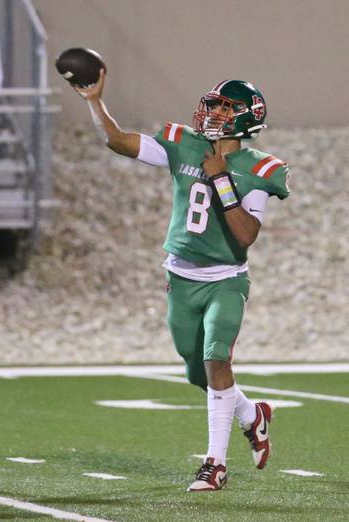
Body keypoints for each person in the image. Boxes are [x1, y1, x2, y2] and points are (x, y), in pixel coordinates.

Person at [76, 74, 289, 491]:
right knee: (198, 372)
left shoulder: (261, 168)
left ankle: (215, 464)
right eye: (214, 104)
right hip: (181, 275)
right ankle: (252, 416)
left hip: (225, 278)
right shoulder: (183, 142)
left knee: (217, 359)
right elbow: (118, 141)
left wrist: (222, 179)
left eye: (227, 107)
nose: (215, 113)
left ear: (248, 118)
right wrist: (95, 101)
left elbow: (246, 234)